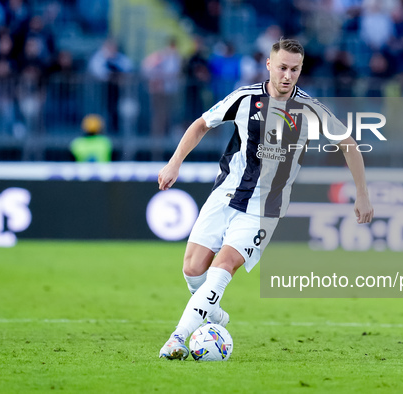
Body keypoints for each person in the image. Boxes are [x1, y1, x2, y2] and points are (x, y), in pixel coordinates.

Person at [157, 38, 374, 360]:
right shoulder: (244, 99)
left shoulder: (310, 109)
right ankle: (212, 313)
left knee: (224, 265)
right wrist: (174, 162)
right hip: (225, 194)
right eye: (283, 67)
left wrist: (363, 194)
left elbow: (348, 142)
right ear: (269, 65)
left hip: (265, 207)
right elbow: (201, 125)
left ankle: (176, 338)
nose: (288, 75)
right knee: (192, 269)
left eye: (295, 70)